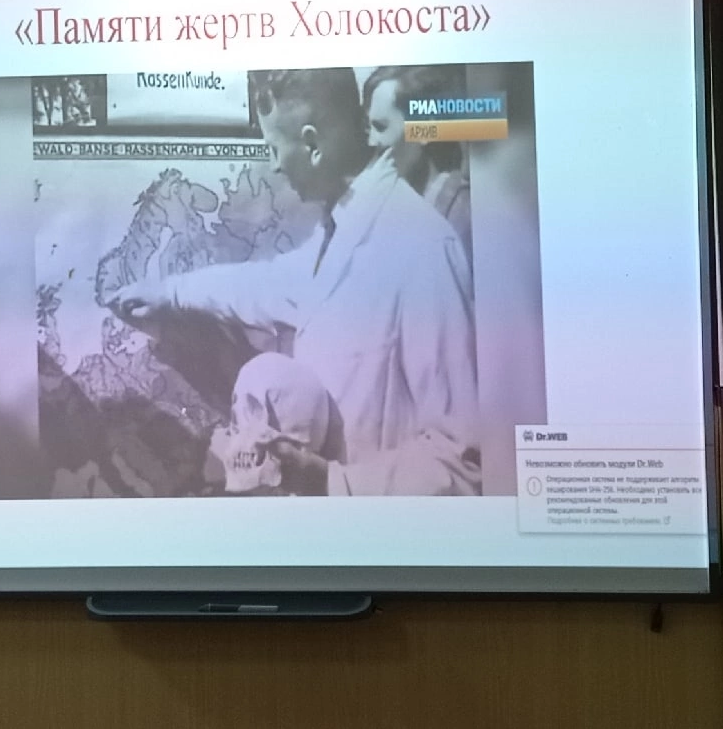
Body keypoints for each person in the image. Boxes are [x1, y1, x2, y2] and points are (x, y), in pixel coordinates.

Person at [110, 67, 479, 496]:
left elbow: (463, 462)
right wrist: (170, 292)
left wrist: (332, 482)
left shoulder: (422, 248)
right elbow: (261, 284)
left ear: (312, 145)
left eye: (274, 148)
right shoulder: (337, 235)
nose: (274, 166)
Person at [358, 65, 474, 255]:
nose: (371, 141)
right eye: (368, 127)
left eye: (380, 127)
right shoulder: (387, 209)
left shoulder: (461, 216)